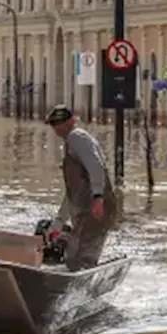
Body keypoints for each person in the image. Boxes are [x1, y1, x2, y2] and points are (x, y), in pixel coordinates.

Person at [45, 104, 117, 270]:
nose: (57, 127)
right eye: (54, 124)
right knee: (74, 257)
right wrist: (58, 223)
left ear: (72, 121)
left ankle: (80, 291)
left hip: (94, 210)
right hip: (84, 212)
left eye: (60, 123)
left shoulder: (77, 137)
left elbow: (96, 167)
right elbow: (72, 193)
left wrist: (98, 198)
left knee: (80, 259)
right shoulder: (71, 143)